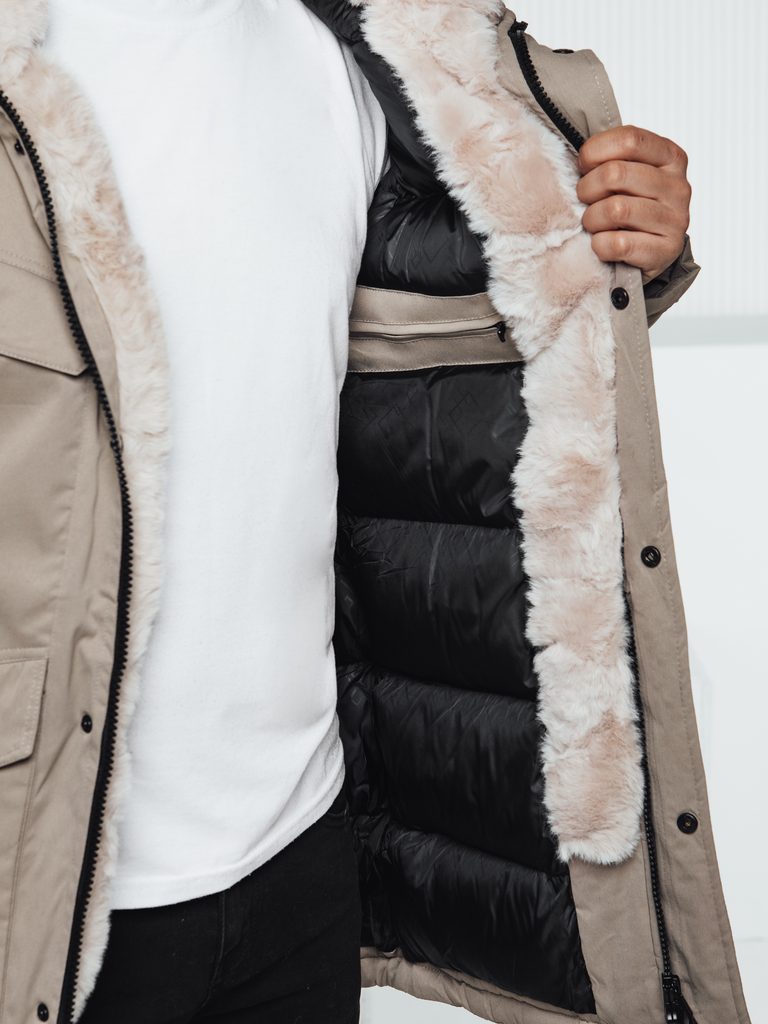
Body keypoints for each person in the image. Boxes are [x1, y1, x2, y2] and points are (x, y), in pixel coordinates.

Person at [0, 3, 750, 1024]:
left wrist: (619, 250)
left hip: (299, 866)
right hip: (45, 890)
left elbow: (466, 350)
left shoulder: (366, 57)